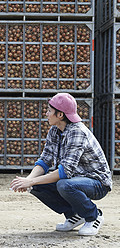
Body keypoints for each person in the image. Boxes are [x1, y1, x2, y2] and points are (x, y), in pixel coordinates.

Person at [10, 93, 112, 236]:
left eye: (49, 111)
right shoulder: (55, 131)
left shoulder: (77, 132)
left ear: (60, 115)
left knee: (64, 185)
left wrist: (30, 181)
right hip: (75, 180)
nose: (46, 114)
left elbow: (64, 172)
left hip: (97, 183)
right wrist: (28, 181)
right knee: (38, 184)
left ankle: (93, 216)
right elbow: (44, 161)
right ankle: (74, 215)